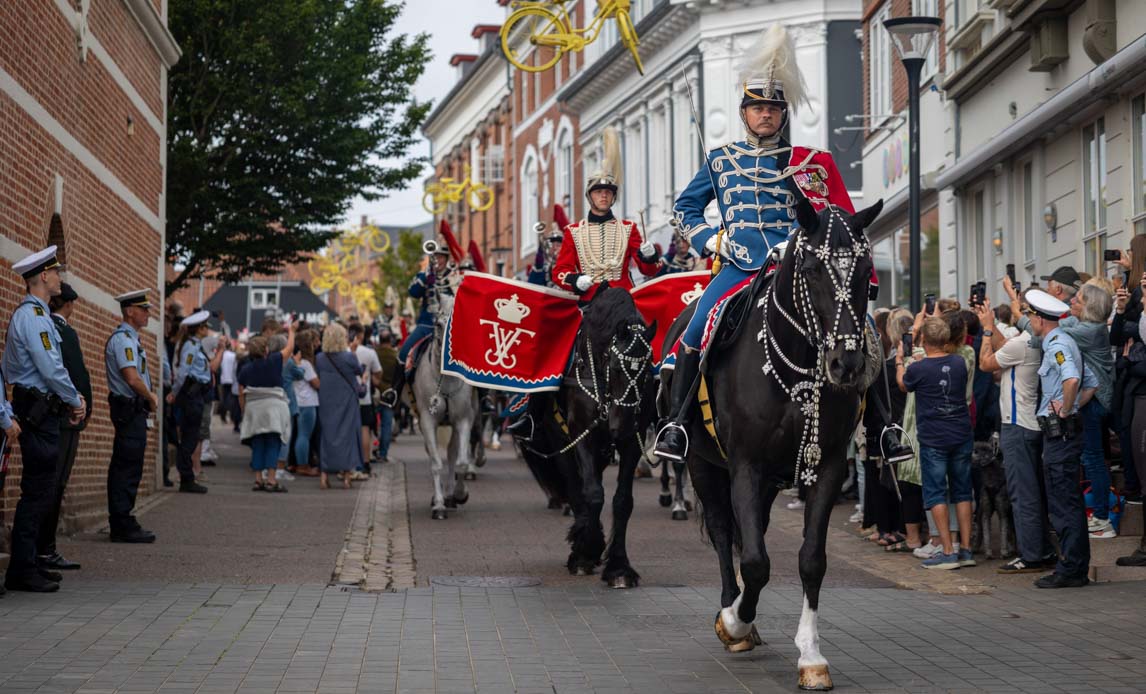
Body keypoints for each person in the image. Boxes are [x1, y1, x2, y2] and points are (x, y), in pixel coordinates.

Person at [655, 24, 855, 461]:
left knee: (862, 333)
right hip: (740, 267)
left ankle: (882, 428)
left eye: (773, 108)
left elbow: (840, 219)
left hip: (798, 266)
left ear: (783, 114)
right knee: (695, 329)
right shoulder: (721, 161)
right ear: (744, 112)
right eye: (758, 107)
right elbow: (685, 209)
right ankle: (676, 425)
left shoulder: (808, 163)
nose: (766, 115)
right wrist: (714, 240)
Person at [2, 246, 84, 593]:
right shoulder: (34, 317)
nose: (60, 278)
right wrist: (74, 398)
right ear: (44, 276)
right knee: (38, 491)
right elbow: (51, 369)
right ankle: (22, 569)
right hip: (38, 411)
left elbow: (12, 368)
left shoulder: (35, 315)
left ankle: (29, 562)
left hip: (38, 408)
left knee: (42, 489)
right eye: (56, 272)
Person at [973, 295, 1054, 573]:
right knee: (1031, 491)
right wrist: (991, 322)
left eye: (1025, 313)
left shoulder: (1022, 344)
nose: (1022, 317)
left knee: (1022, 494)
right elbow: (1004, 345)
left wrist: (987, 330)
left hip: (1017, 425)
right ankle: (1041, 549)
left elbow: (986, 363)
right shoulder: (1033, 342)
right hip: (1027, 424)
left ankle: (1031, 555)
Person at [1025, 289, 1092, 588]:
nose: (1030, 321)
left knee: (1063, 504)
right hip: (1065, 434)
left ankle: (1070, 569)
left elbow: (1073, 379)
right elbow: (1091, 384)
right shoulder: (1067, 341)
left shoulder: (1057, 345)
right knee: (1068, 501)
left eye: (1030, 316)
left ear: (1040, 320)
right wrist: (1073, 405)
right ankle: (1075, 567)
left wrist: (1065, 410)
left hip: (1061, 435)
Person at [896, 316, 974, 570]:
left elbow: (903, 384)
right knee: (963, 492)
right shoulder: (960, 362)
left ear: (924, 340)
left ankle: (947, 551)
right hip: (961, 433)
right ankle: (966, 548)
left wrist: (900, 361)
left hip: (934, 437)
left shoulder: (919, 368)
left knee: (936, 492)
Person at [551, 126, 659, 302]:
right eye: (598, 191)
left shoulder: (628, 228)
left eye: (608, 192)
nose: (603, 196)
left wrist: (649, 256)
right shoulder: (573, 231)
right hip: (590, 299)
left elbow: (648, 270)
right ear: (589, 196)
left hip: (624, 298)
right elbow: (560, 271)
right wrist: (576, 280)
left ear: (613, 197)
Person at [36, 283, 90, 571]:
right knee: (55, 483)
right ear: (69, 304)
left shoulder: (44, 324)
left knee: (48, 482)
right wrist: (82, 406)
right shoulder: (64, 331)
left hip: (52, 413)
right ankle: (45, 549)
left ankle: (41, 549)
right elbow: (77, 374)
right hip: (65, 417)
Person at [104, 290, 159, 543]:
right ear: (129, 311)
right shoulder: (124, 340)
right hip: (129, 409)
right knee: (126, 467)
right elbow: (132, 378)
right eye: (143, 309)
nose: (147, 314)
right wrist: (151, 397)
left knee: (129, 465)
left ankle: (124, 519)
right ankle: (121, 523)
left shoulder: (131, 339)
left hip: (133, 410)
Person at [1062, 283, 1117, 538]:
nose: (1072, 301)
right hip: (1094, 400)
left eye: (1078, 299)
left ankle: (1103, 518)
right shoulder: (1090, 326)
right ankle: (1100, 513)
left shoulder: (1090, 331)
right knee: (1093, 458)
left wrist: (1021, 316)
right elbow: (1066, 324)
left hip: (1094, 402)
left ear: (1089, 307)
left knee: (1093, 459)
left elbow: (1055, 330)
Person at [382, 246, 452, 408]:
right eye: (435, 257)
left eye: (441, 257)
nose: (438, 260)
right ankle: (394, 391)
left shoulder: (454, 276)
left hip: (451, 327)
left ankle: (483, 396)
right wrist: (426, 276)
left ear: (446, 259)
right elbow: (413, 292)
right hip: (427, 325)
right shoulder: (424, 275)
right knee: (403, 352)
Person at [169, 311, 223, 494]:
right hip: (191, 396)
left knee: (192, 437)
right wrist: (174, 393)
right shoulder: (191, 347)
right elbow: (183, 372)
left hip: (197, 395)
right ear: (199, 329)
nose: (207, 329)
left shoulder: (196, 345)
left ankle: (187, 477)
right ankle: (186, 478)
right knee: (190, 438)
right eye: (205, 326)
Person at [238, 326, 295, 492]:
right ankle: (271, 480)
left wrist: (244, 411)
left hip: (254, 410)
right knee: (273, 443)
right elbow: (289, 348)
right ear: (266, 350)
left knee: (257, 444)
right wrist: (292, 331)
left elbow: (241, 392)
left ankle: (258, 480)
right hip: (273, 410)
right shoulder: (274, 360)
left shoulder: (246, 369)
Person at [317, 323, 364, 489]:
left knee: (327, 436)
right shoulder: (349, 357)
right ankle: (346, 477)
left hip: (327, 400)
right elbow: (358, 371)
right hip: (347, 400)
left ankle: (324, 476)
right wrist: (353, 351)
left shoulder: (320, 358)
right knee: (347, 436)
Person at [351, 323, 382, 472]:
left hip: (348, 396)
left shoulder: (343, 351)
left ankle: (350, 462)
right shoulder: (369, 353)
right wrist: (374, 380)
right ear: (361, 335)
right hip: (364, 396)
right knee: (365, 429)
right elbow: (378, 372)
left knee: (349, 429)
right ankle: (365, 461)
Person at [292, 330, 321, 475]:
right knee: (304, 435)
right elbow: (316, 384)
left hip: (296, 401)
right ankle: (303, 465)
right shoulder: (306, 364)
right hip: (307, 402)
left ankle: (296, 463)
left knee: (298, 434)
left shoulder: (293, 362)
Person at [374, 326, 398, 463]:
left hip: (375, 393)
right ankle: (383, 454)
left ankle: (372, 450)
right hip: (389, 395)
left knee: (371, 424)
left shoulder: (374, 354)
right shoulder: (395, 356)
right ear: (391, 340)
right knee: (386, 426)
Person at [218, 342, 237, 424]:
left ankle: (223, 416)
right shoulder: (233, 355)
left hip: (224, 379)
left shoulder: (221, 356)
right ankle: (232, 416)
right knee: (232, 399)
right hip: (232, 379)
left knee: (224, 398)